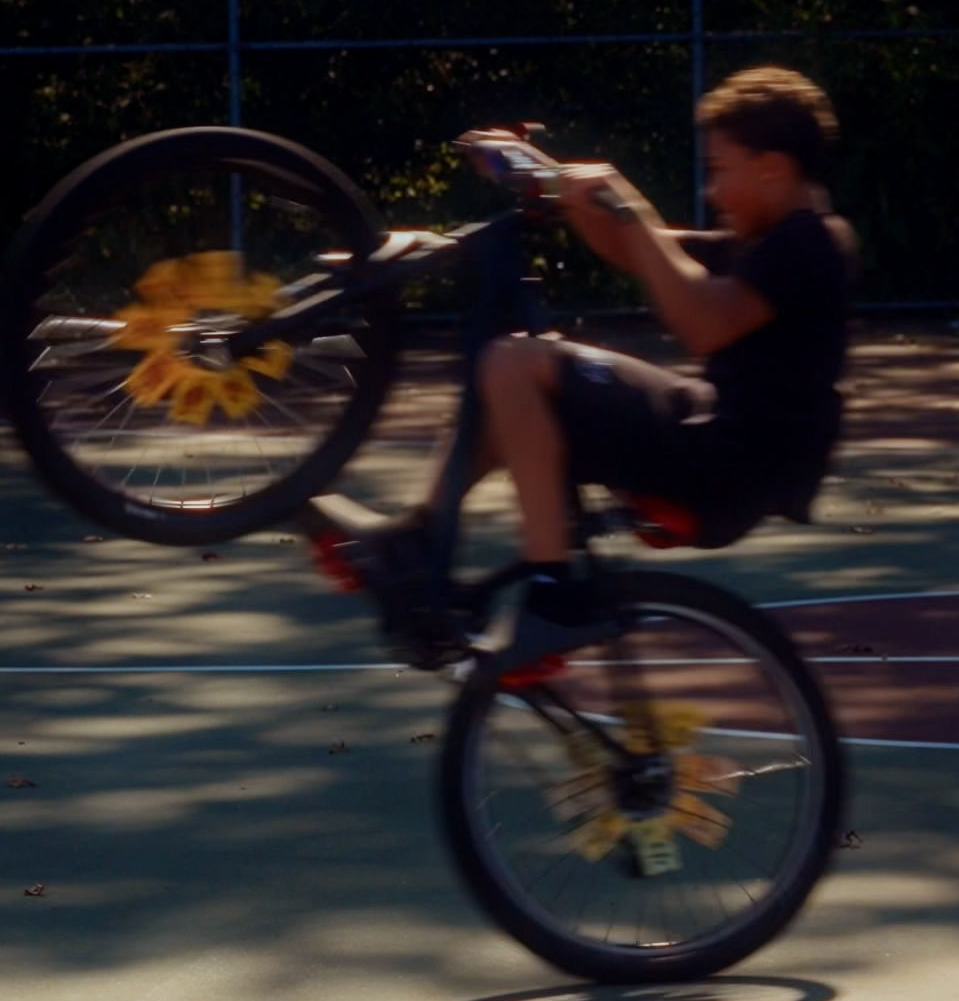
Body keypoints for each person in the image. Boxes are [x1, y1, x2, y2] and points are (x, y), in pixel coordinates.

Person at [330, 66, 856, 665]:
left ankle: (554, 596)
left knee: (513, 364)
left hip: (729, 464)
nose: (712, 192)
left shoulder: (813, 242)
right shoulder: (771, 238)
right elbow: (640, 250)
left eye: (720, 170)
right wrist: (555, 181)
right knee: (509, 399)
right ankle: (417, 539)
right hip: (711, 434)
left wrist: (629, 209)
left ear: (772, 168)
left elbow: (703, 321)